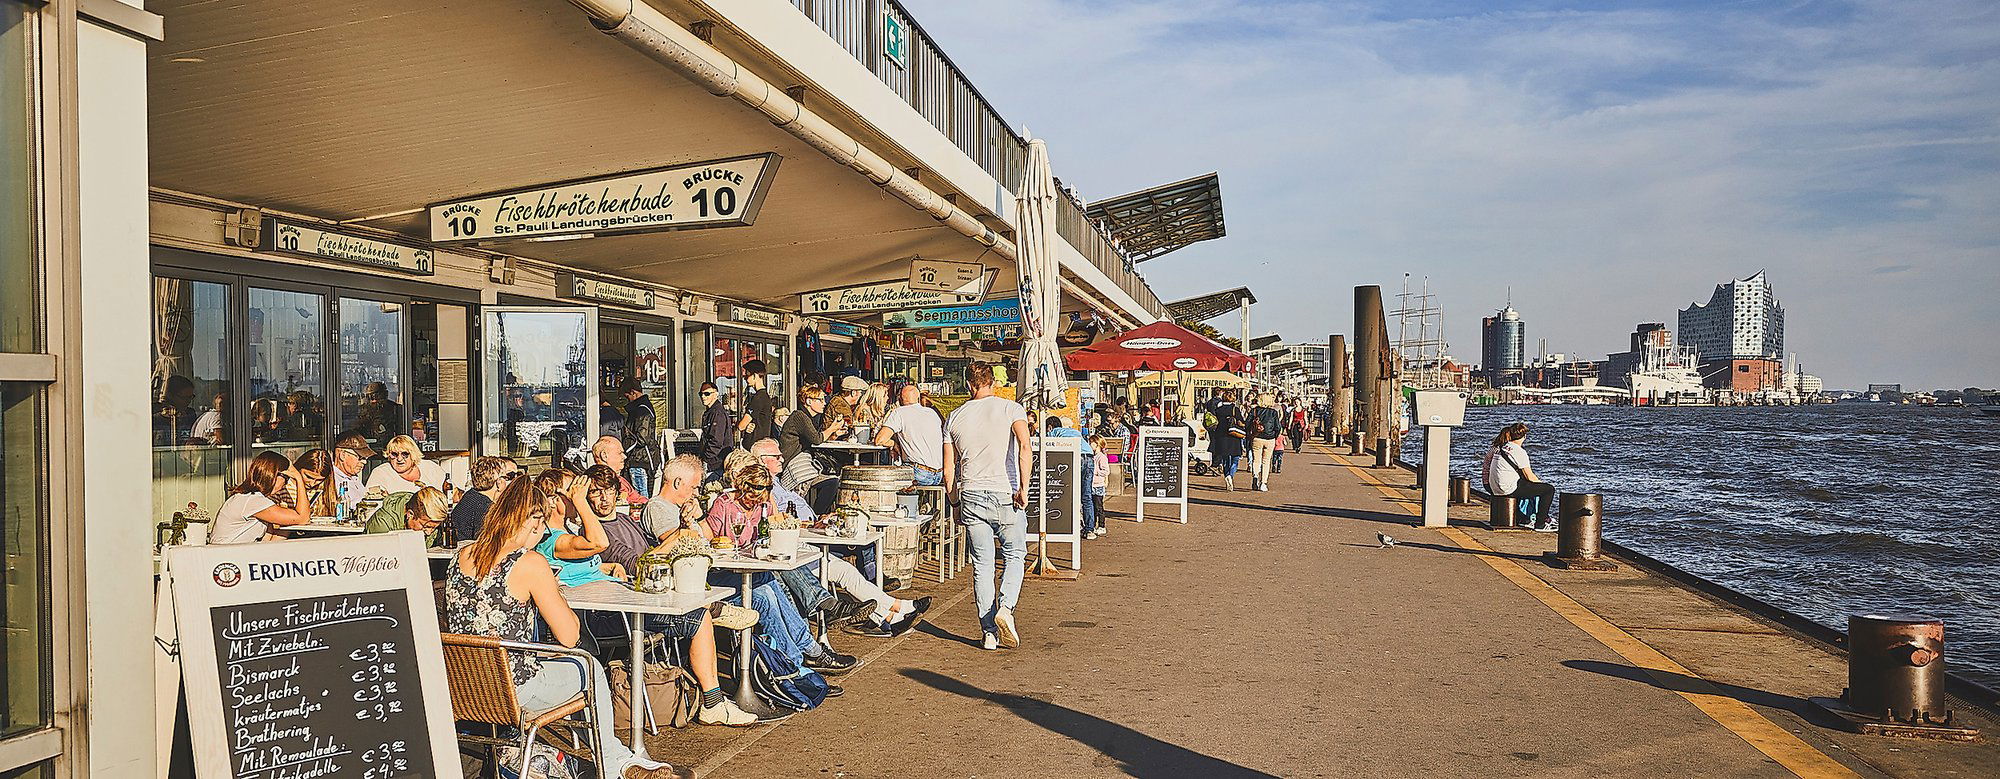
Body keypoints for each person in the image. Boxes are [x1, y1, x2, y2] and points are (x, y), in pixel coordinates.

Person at [444, 479, 711, 779]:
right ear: (533, 521)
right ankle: (617, 767)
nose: (543, 533)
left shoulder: (460, 557)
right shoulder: (529, 562)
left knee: (569, 665)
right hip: (514, 690)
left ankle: (622, 760)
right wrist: (552, 592)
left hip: (466, 687)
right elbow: (569, 636)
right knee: (590, 666)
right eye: (542, 524)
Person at [749, 438, 926, 635]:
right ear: (763, 461)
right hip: (800, 542)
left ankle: (889, 615)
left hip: (810, 534)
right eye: (777, 456)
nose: (783, 458)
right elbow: (778, 521)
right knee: (845, 570)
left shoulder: (777, 483)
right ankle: (895, 608)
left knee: (857, 549)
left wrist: (818, 520)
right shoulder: (765, 489)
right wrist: (810, 524)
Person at [703, 464, 853, 675]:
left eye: (765, 489)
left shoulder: (762, 505)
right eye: (757, 489)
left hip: (754, 568)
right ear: (744, 486)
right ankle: (798, 663)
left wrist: (769, 500)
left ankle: (809, 652)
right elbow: (706, 538)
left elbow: (777, 530)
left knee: (772, 586)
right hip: (724, 573)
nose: (759, 496)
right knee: (767, 593)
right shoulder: (724, 504)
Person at [943, 362, 1031, 651]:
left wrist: (954, 501)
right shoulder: (1011, 409)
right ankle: (1006, 608)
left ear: (969, 385)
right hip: (1005, 492)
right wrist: (1023, 489)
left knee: (982, 565)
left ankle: (989, 632)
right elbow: (1024, 447)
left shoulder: (954, 417)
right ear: (993, 382)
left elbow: (948, 469)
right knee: (1015, 554)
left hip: (971, 494)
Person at [209, 451, 313, 544]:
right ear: (273, 475)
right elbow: (303, 518)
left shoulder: (250, 498)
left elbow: (270, 542)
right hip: (226, 557)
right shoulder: (253, 500)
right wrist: (298, 478)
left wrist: (288, 521)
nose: (286, 484)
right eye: (286, 478)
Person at [581, 465, 655, 577]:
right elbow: (634, 565)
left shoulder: (625, 518)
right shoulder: (593, 532)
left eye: (609, 490)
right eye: (595, 492)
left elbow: (650, 545)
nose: (604, 497)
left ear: (616, 493)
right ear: (586, 496)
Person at [1484, 422, 1558, 532]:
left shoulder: (1502, 448)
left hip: (1494, 488)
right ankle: (1541, 523)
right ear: (1524, 436)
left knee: (1526, 487)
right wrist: (1540, 483)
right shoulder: (1519, 451)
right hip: (1507, 488)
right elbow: (1529, 476)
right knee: (1548, 490)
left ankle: (1523, 518)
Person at [874, 384, 945, 486]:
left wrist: (894, 444)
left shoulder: (899, 413)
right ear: (918, 398)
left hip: (918, 473)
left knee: (884, 481)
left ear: (900, 399)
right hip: (938, 474)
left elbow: (880, 440)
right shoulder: (932, 413)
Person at [641, 455, 709, 543]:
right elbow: (674, 544)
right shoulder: (657, 507)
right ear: (678, 482)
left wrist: (701, 519)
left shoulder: (685, 506)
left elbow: (711, 541)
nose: (696, 493)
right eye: (693, 487)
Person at [449, 456, 517, 543]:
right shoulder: (485, 506)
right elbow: (486, 543)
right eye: (505, 478)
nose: (507, 482)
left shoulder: (471, 496)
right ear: (498, 482)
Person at [364, 486, 448, 547]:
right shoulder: (382, 523)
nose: (429, 532)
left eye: (434, 528)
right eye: (425, 526)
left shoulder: (428, 521)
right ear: (409, 514)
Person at [364, 434, 445, 495]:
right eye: (394, 454)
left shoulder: (430, 467)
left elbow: (452, 493)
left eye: (405, 454)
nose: (399, 459)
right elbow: (372, 505)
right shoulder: (380, 473)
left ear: (413, 454)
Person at [618, 377, 657, 496]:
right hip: (640, 459)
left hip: (639, 460)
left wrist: (624, 448)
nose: (627, 400)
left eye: (627, 396)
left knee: (640, 497)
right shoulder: (643, 408)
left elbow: (642, 438)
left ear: (633, 393)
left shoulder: (641, 410)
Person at [1204, 390, 1246, 491]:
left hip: (1221, 435)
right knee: (1235, 458)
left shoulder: (1219, 409)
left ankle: (1227, 475)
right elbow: (1241, 421)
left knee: (1225, 459)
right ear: (1232, 398)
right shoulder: (1235, 409)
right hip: (1233, 435)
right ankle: (1230, 475)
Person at [591, 435, 649, 505]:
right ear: (604, 456)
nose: (624, 457)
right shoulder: (598, 483)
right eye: (620, 453)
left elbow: (639, 499)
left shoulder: (620, 480)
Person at [696, 381, 735, 475]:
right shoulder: (711, 412)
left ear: (716, 394)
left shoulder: (717, 413)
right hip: (714, 462)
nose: (703, 397)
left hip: (716, 464)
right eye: (701, 394)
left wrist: (705, 460)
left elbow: (716, 441)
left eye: (707, 394)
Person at [735, 360, 776, 446]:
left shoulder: (758, 398)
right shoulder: (764, 396)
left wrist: (737, 424)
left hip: (756, 446)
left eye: (747, 375)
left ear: (755, 375)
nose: (745, 378)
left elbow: (741, 425)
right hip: (761, 444)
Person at [330, 431, 374, 512]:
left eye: (365, 458)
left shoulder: (353, 476)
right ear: (342, 455)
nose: (364, 462)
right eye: (360, 457)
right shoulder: (331, 479)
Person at [289, 449, 339, 518]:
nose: (312, 484)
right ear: (299, 468)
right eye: (308, 477)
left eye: (319, 480)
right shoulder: (284, 486)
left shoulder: (322, 488)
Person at [1246, 393, 1282, 491]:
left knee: (1256, 460)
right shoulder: (1273, 412)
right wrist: (1274, 435)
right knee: (1266, 461)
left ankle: (1255, 477)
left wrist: (1250, 435)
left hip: (1256, 438)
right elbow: (1278, 427)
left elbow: (1247, 424)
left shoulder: (1254, 411)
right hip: (1269, 439)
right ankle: (1263, 483)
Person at [353, 381, 403, 450]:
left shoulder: (395, 409)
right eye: (370, 397)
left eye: (376, 396)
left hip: (390, 446)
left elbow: (400, 430)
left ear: (385, 394)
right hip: (366, 446)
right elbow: (356, 431)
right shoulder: (363, 410)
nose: (374, 400)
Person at [1086, 433, 1110, 539]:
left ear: (1097, 444)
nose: (1089, 444)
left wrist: (1095, 471)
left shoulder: (1101, 457)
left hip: (1098, 484)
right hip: (1091, 483)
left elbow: (1106, 471)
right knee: (1092, 506)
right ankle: (1093, 524)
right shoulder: (1093, 456)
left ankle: (1101, 525)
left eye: (1091, 442)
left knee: (1098, 506)